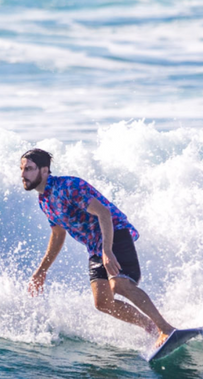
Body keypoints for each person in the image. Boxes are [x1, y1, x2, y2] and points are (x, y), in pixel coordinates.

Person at [21, 147, 181, 351]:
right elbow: (58, 235)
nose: (23, 175)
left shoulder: (68, 186)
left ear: (44, 171)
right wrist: (42, 270)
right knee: (103, 302)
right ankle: (151, 328)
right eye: (22, 169)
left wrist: (107, 250)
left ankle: (166, 329)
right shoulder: (44, 201)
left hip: (115, 234)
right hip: (95, 247)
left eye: (29, 169)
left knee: (120, 285)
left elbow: (104, 213)